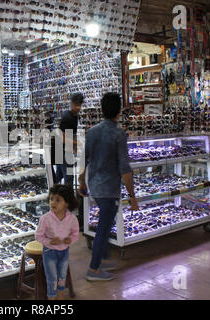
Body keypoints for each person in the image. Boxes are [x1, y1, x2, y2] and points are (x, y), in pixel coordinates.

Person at [78, 92, 139, 281]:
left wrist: (81, 182)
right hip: (109, 189)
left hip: (95, 186)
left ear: (102, 110)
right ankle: (93, 270)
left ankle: (102, 259)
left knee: (104, 226)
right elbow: (125, 169)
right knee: (104, 228)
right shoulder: (119, 135)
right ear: (119, 111)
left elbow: (84, 159)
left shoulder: (92, 131)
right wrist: (132, 195)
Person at [35, 184, 79, 300]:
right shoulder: (45, 219)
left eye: (57, 200)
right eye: (51, 199)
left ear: (67, 203)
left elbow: (75, 234)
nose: (53, 202)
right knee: (52, 279)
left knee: (62, 278)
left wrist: (70, 239)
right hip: (49, 252)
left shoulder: (72, 219)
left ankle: (60, 298)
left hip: (64, 252)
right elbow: (38, 236)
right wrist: (49, 241)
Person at [54, 93, 83, 186]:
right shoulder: (68, 117)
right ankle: (67, 199)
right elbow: (61, 137)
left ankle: (53, 194)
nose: (78, 107)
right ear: (71, 103)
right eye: (76, 105)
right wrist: (77, 143)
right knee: (68, 178)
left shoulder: (74, 116)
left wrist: (74, 145)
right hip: (63, 151)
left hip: (63, 150)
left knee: (59, 176)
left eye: (79, 105)